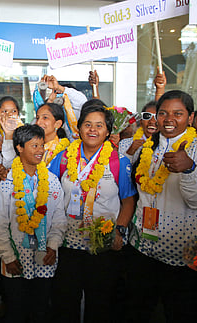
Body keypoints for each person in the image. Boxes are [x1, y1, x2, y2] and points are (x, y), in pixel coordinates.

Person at [48, 104, 137, 323]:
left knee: (100, 304)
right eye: (87, 124)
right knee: (65, 302)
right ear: (78, 129)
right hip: (67, 244)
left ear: (108, 131)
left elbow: (128, 202)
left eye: (99, 125)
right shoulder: (62, 159)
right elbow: (48, 193)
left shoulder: (118, 162)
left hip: (103, 245)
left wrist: (119, 230)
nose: (93, 130)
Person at [126, 90, 197, 322]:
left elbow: (194, 201)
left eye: (178, 113)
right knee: (139, 313)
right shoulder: (149, 146)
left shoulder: (195, 149)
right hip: (141, 248)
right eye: (163, 113)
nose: (169, 119)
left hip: (180, 257)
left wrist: (189, 169)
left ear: (190, 117)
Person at [0, 124, 67, 322]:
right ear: (19, 148)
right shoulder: (6, 184)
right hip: (16, 260)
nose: (40, 150)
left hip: (45, 259)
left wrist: (53, 246)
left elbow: (59, 217)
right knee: (17, 310)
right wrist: (8, 257)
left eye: (42, 145)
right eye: (34, 146)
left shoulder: (51, 181)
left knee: (41, 310)